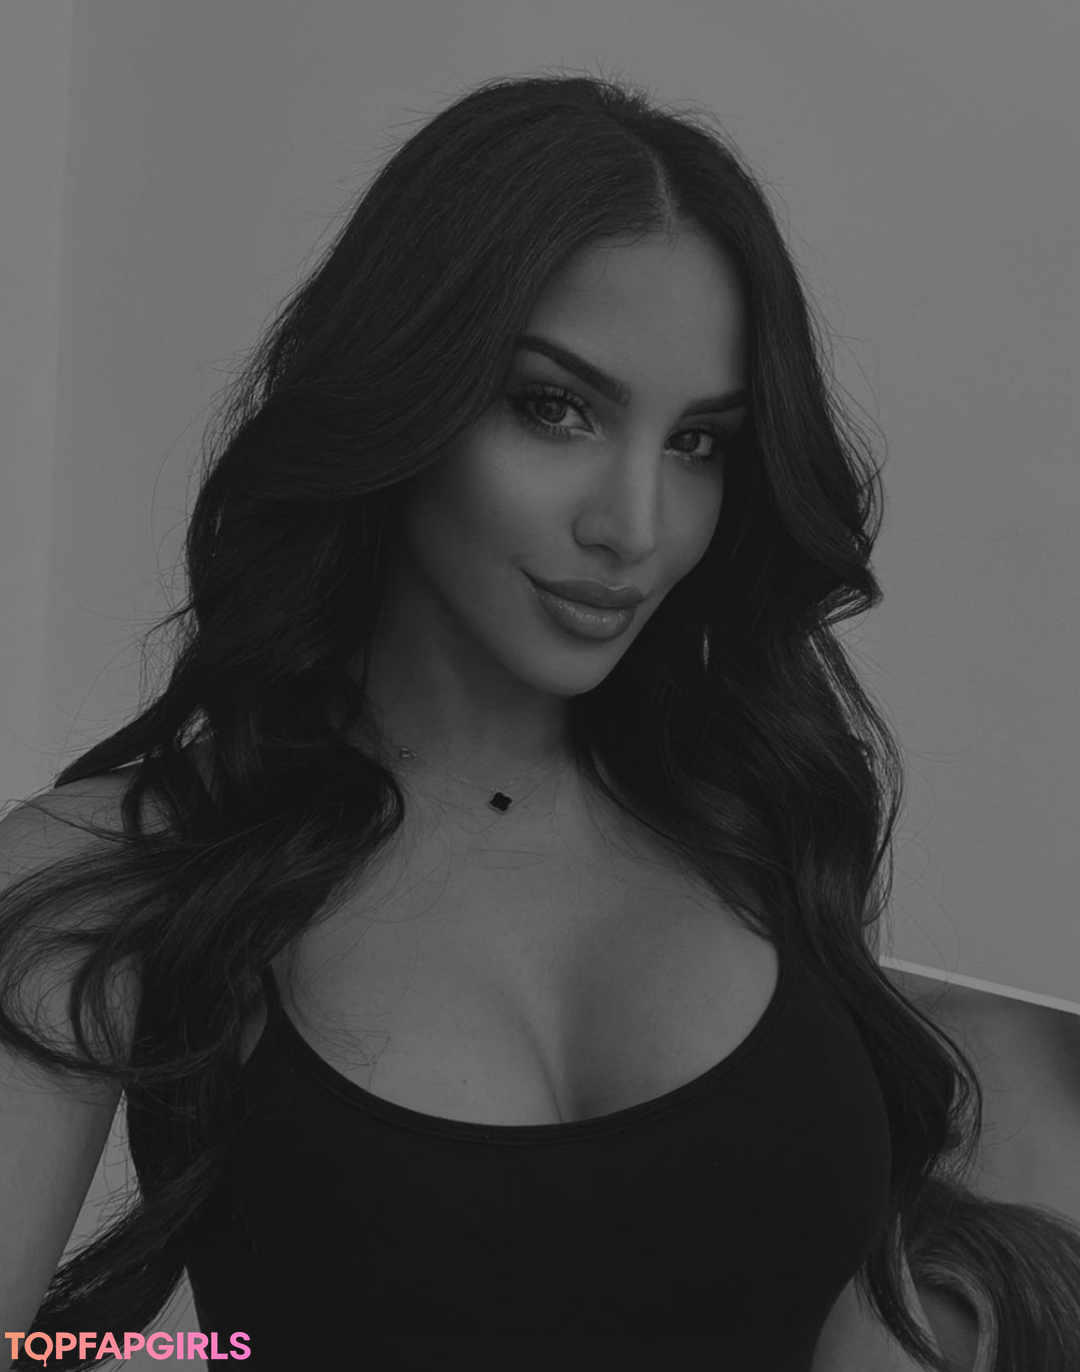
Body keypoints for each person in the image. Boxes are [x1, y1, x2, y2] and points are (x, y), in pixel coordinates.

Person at [1, 73, 1078, 1372]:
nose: (634, 526)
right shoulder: (109, 874)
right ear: (404, 391)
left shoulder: (758, 803)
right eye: (555, 408)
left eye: (698, 443)